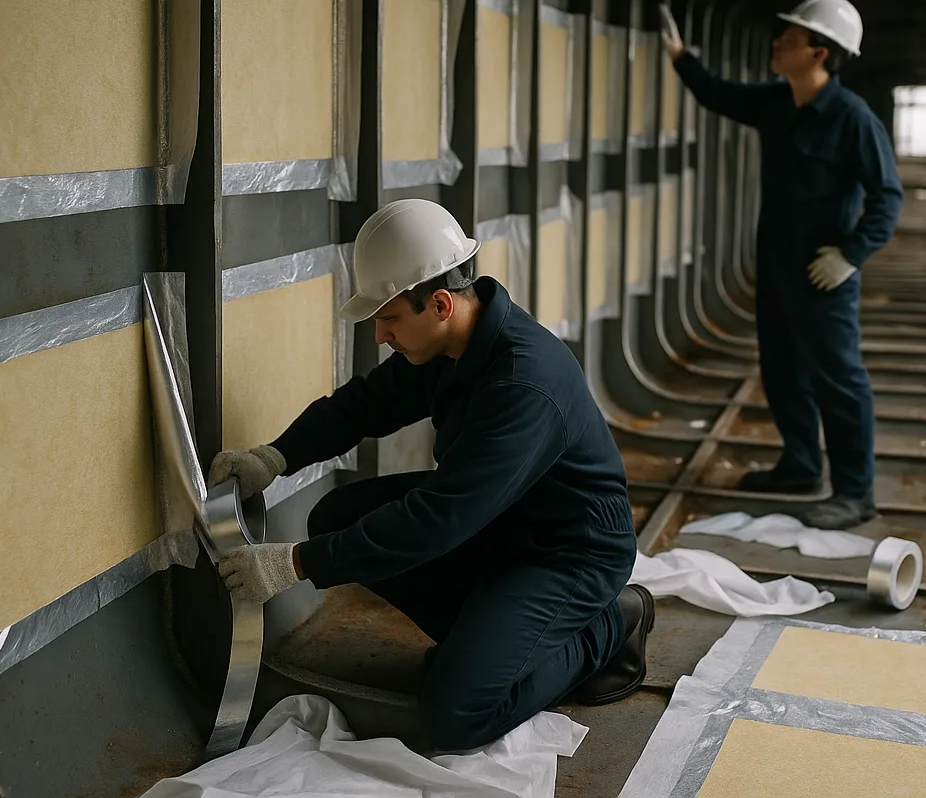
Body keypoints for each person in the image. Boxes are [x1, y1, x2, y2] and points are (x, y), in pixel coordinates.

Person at [208, 198, 653, 752]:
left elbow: (438, 520)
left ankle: (608, 628)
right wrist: (275, 457)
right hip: (503, 524)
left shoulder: (523, 385)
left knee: (456, 713)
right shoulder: (454, 344)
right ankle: (491, 644)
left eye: (389, 318)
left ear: (440, 303)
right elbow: (367, 404)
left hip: (569, 553)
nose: (380, 335)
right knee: (337, 517)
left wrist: (296, 563)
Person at [661, 0, 902, 529]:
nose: (777, 43)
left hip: (823, 275)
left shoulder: (852, 118)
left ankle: (855, 493)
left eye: (789, 38)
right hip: (776, 269)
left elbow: (888, 197)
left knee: (838, 379)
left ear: (819, 52)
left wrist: (850, 255)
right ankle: (800, 466)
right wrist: (681, 57)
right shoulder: (777, 101)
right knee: (782, 371)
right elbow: (718, 94)